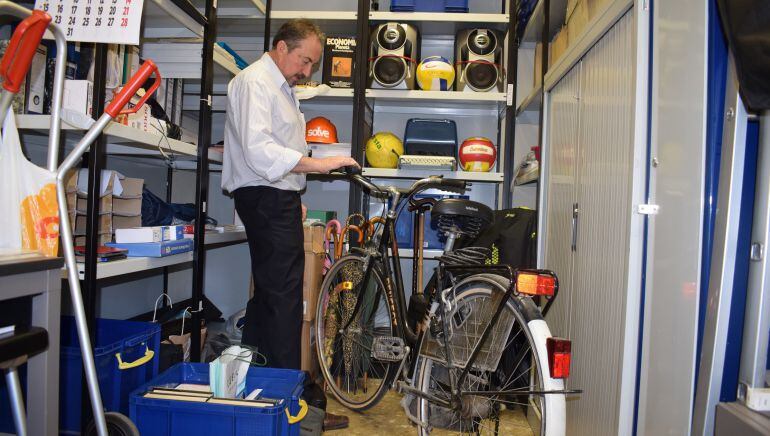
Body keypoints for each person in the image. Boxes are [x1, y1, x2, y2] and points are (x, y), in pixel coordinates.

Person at [221, 19, 358, 430]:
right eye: (305, 60)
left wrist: (293, 192)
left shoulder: (279, 87)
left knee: (268, 299)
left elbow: (277, 153)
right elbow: (261, 151)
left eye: (312, 64)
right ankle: (286, 410)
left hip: (274, 197)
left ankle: (255, 398)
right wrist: (318, 166)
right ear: (281, 47)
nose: (307, 71)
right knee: (283, 303)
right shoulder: (254, 83)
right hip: (263, 196)